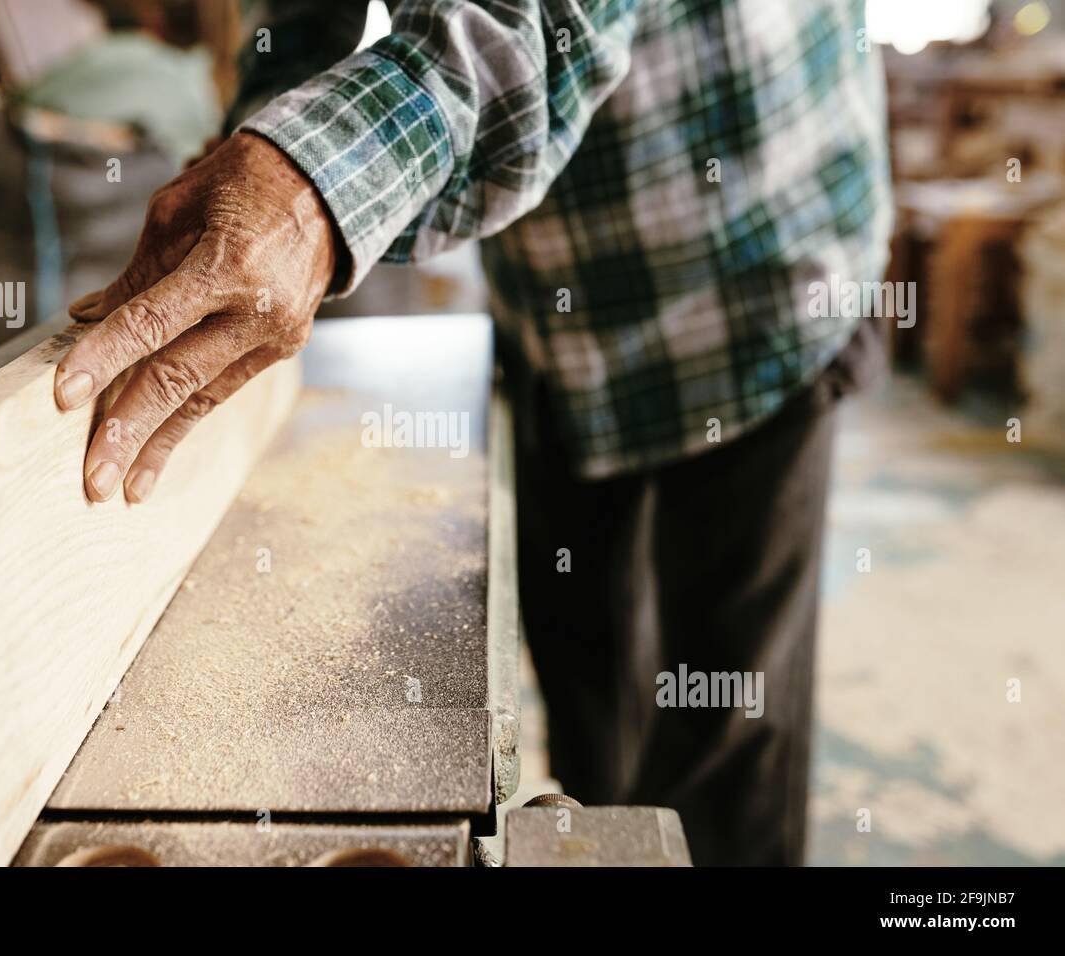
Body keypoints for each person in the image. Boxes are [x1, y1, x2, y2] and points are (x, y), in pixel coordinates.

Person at [51, 0, 891, 865]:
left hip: (750, 261)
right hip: (562, 305)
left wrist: (310, 185)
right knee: (591, 707)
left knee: (721, 736)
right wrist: (259, 134)